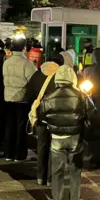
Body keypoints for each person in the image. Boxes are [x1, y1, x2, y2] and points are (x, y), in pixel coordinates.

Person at [37, 65, 95, 200]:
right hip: (75, 137)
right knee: (75, 172)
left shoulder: (49, 96)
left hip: (56, 138)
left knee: (57, 172)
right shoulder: (81, 95)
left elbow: (41, 117)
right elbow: (92, 113)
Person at [27, 55, 63, 185]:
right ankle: (50, 178)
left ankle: (40, 176)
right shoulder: (59, 77)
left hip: (41, 115)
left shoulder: (37, 74)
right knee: (55, 147)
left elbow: (29, 93)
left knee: (41, 146)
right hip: (55, 116)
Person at [2, 38, 37, 161]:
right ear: (24, 48)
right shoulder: (26, 64)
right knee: (21, 128)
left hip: (8, 97)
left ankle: (8, 153)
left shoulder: (6, 62)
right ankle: (19, 154)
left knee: (9, 126)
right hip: (22, 98)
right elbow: (33, 80)